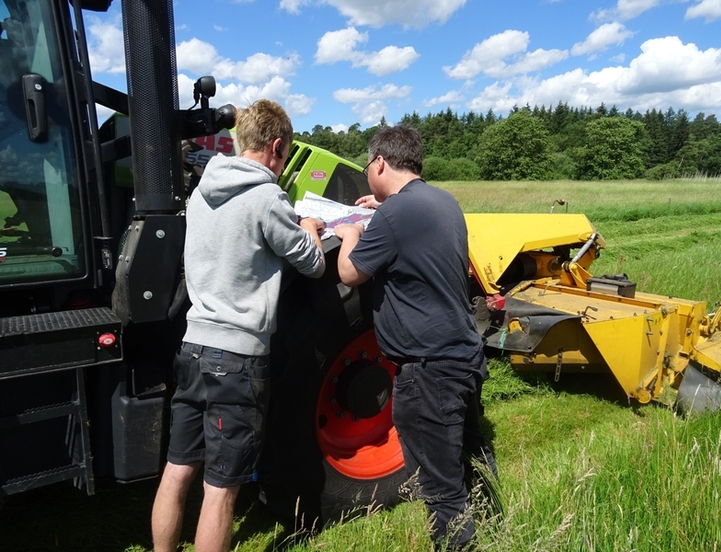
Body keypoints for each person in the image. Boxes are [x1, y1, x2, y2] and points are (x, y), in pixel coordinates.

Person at [151, 99, 326, 552]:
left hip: (192, 348)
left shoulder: (202, 190)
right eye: (284, 155)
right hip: (238, 359)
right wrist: (308, 226)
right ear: (276, 146)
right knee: (221, 487)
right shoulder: (268, 197)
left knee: (177, 470)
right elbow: (311, 264)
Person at [334, 125, 496, 551]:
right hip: (462, 352)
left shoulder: (394, 214)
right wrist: (383, 207)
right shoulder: (443, 201)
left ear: (380, 163)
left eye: (369, 165)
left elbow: (350, 274)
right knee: (472, 454)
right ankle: (499, 522)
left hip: (428, 369)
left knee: (442, 488)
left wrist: (350, 234)